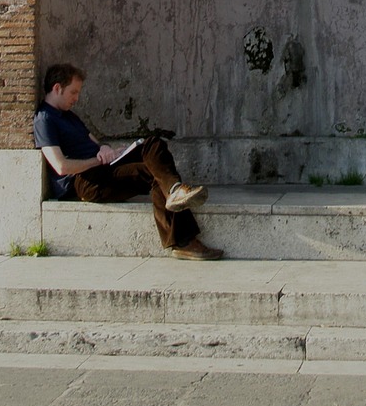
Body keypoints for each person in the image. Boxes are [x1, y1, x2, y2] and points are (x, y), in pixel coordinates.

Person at [33, 62, 223, 260]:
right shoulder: (44, 119)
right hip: (85, 181)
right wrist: (98, 161)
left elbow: (96, 143)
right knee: (154, 173)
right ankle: (184, 240)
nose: (77, 98)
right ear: (57, 88)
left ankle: (174, 191)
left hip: (103, 167)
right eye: (73, 92)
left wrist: (107, 150)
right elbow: (61, 166)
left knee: (152, 144)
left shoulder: (69, 117)